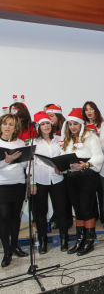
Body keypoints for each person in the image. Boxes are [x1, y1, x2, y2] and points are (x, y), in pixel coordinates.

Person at [60, 108, 104, 256]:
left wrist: (86, 164)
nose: (73, 127)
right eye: (70, 124)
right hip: (72, 178)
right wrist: (59, 167)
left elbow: (99, 157)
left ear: (81, 125)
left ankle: (89, 240)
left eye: (76, 124)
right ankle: (79, 239)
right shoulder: (67, 140)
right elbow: (63, 158)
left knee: (87, 209)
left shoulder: (91, 137)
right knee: (78, 210)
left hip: (87, 177)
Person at [31, 112, 69, 254]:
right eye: (42, 124)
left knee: (61, 210)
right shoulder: (34, 143)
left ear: (51, 125)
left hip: (57, 179)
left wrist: (63, 170)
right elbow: (31, 165)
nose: (46, 126)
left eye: (47, 123)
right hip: (40, 180)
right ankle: (43, 241)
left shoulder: (60, 140)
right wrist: (32, 183)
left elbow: (65, 160)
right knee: (41, 212)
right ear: (38, 127)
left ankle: (64, 239)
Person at [0, 114, 29, 267]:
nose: (7, 127)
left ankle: (15, 246)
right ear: (0, 126)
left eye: (11, 124)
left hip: (18, 183)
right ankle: (6, 251)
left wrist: (26, 159)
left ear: (15, 127)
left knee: (15, 217)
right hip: (2, 185)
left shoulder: (20, 143)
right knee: (3, 217)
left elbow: (23, 167)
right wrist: (6, 161)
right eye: (5, 124)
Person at [82, 101, 104, 224]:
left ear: (96, 110)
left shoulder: (103, 125)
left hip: (102, 160)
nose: (89, 112)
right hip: (89, 162)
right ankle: (94, 215)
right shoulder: (82, 126)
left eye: (91, 109)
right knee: (90, 191)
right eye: (86, 110)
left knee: (102, 190)